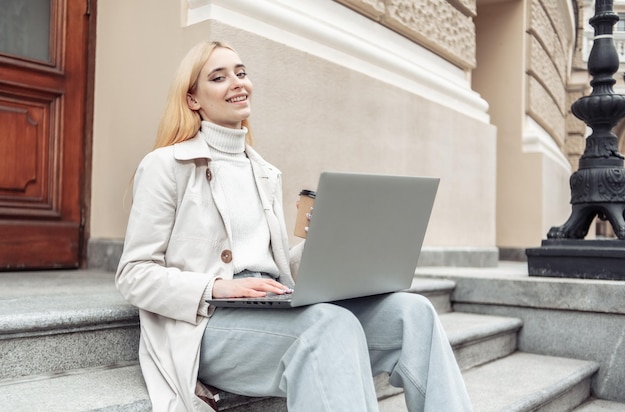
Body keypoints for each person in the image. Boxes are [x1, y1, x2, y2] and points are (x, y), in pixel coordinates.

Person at [115, 40, 473, 412]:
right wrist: (218, 286)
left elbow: (277, 270)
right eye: (219, 77)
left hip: (273, 305)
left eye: (241, 73)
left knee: (413, 314)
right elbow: (133, 274)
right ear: (193, 100)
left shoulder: (265, 172)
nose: (237, 83)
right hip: (208, 324)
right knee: (329, 324)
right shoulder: (166, 166)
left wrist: (329, 241)